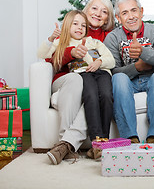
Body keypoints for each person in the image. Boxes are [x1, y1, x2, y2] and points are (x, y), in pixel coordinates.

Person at [37, 10, 114, 165]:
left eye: (83, 25)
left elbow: (109, 59)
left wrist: (98, 62)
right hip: (78, 76)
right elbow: (44, 57)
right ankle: (88, 142)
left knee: (102, 96)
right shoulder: (60, 42)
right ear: (67, 25)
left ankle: (71, 144)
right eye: (75, 24)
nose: (80, 28)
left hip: (99, 74)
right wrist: (53, 40)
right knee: (90, 95)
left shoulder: (93, 42)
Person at [104, 0, 154, 163]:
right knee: (118, 79)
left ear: (141, 11)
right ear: (119, 18)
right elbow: (113, 70)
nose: (131, 16)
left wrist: (143, 52)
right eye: (125, 13)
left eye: (134, 10)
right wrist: (137, 67)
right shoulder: (112, 38)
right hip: (129, 83)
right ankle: (130, 140)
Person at [81, 0, 116, 160]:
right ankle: (97, 142)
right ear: (86, 10)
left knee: (107, 95)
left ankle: (104, 141)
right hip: (84, 73)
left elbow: (112, 60)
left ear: (108, 18)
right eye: (94, 8)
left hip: (103, 72)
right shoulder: (77, 28)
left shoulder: (110, 36)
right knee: (91, 94)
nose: (97, 14)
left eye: (104, 12)